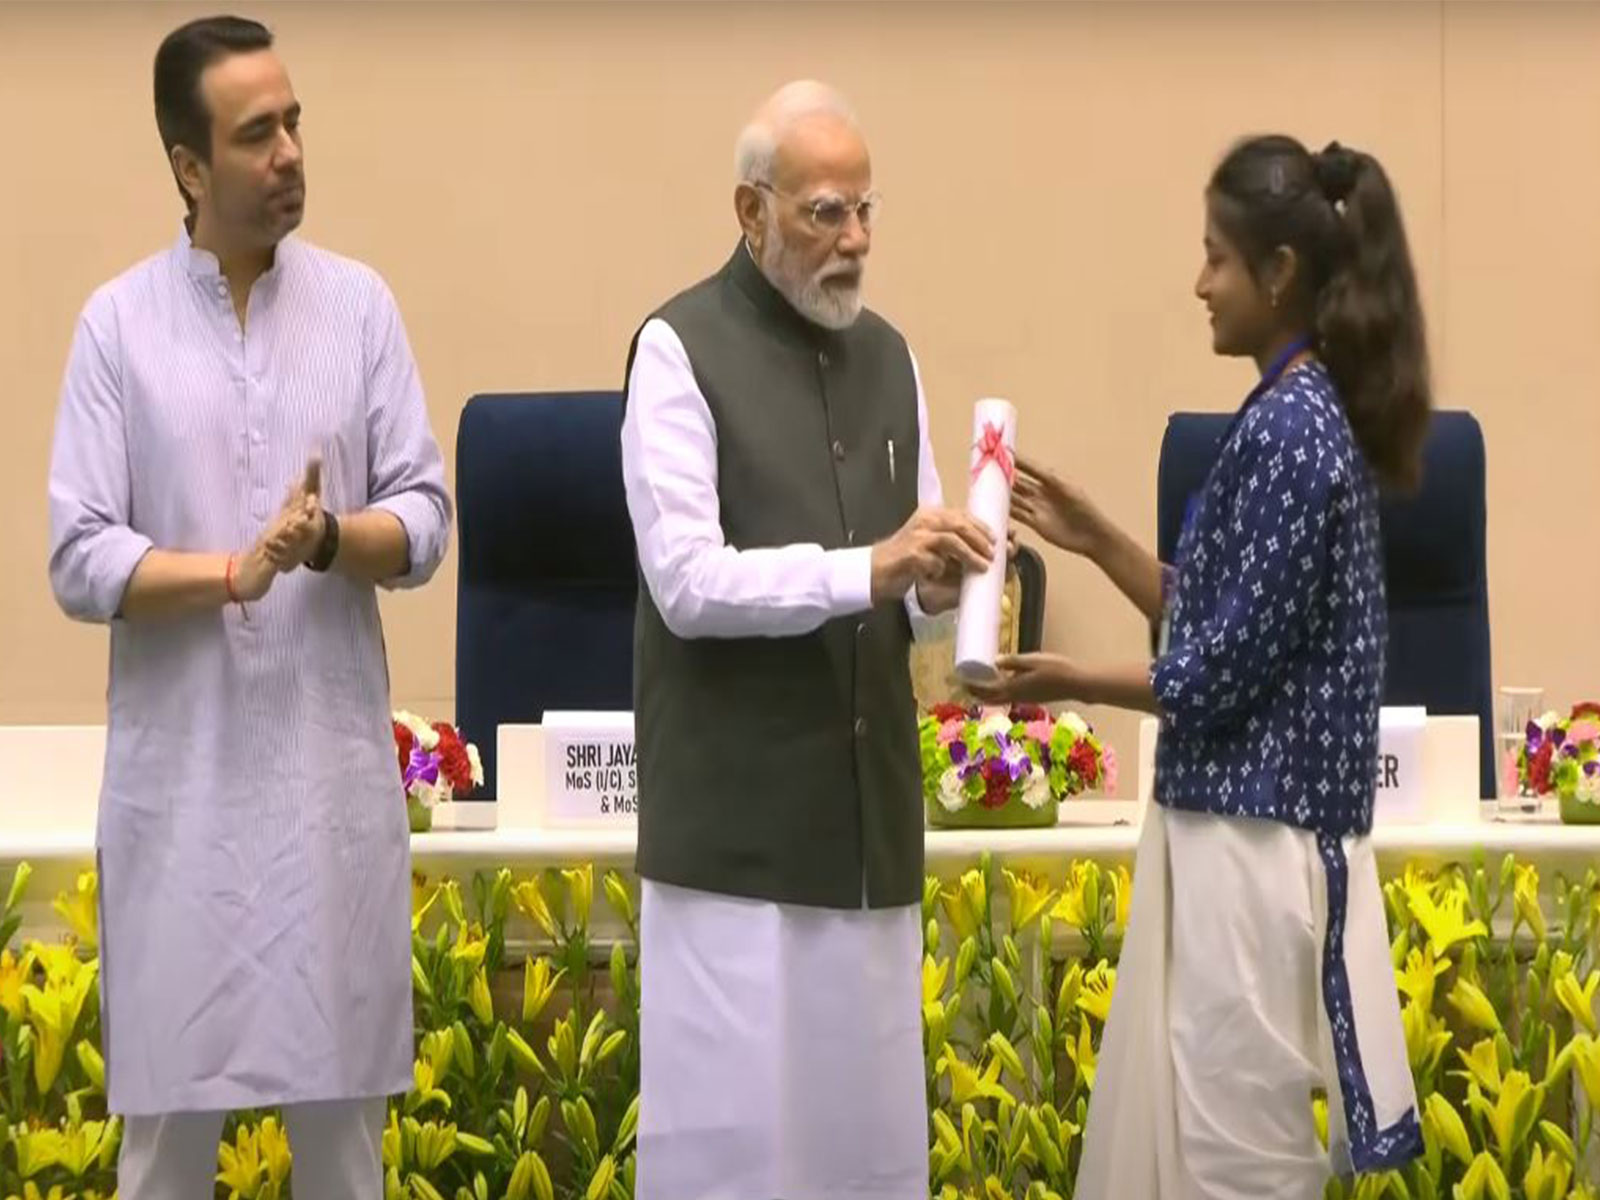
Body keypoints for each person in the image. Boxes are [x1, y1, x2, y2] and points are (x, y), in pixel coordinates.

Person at [970, 134, 1431, 1196]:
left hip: (1251, 847)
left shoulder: (1292, 433)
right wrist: (1103, 542)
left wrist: (1067, 682)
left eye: (1216, 256)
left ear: (1278, 274)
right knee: (1219, 1141)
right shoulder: (1302, 416)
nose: (1199, 283)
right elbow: (1233, 628)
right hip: (1246, 838)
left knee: (1234, 1157)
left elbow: (1216, 675)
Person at [46, 15, 452, 1197]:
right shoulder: (117, 326)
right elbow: (78, 557)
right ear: (187, 164)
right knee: (167, 1152)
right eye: (255, 133)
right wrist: (235, 572)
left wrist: (330, 539)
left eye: (294, 123)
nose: (288, 153)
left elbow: (425, 519)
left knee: (343, 1152)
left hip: (324, 792)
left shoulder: (359, 307)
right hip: (186, 806)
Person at [619, 80, 994, 1200]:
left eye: (867, 211)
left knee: (866, 1162)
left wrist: (951, 586)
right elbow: (686, 582)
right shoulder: (677, 349)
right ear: (750, 211)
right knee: (735, 1164)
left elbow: (910, 586)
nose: (856, 241)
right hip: (733, 850)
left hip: (867, 837)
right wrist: (870, 569)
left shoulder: (891, 355)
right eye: (826, 213)